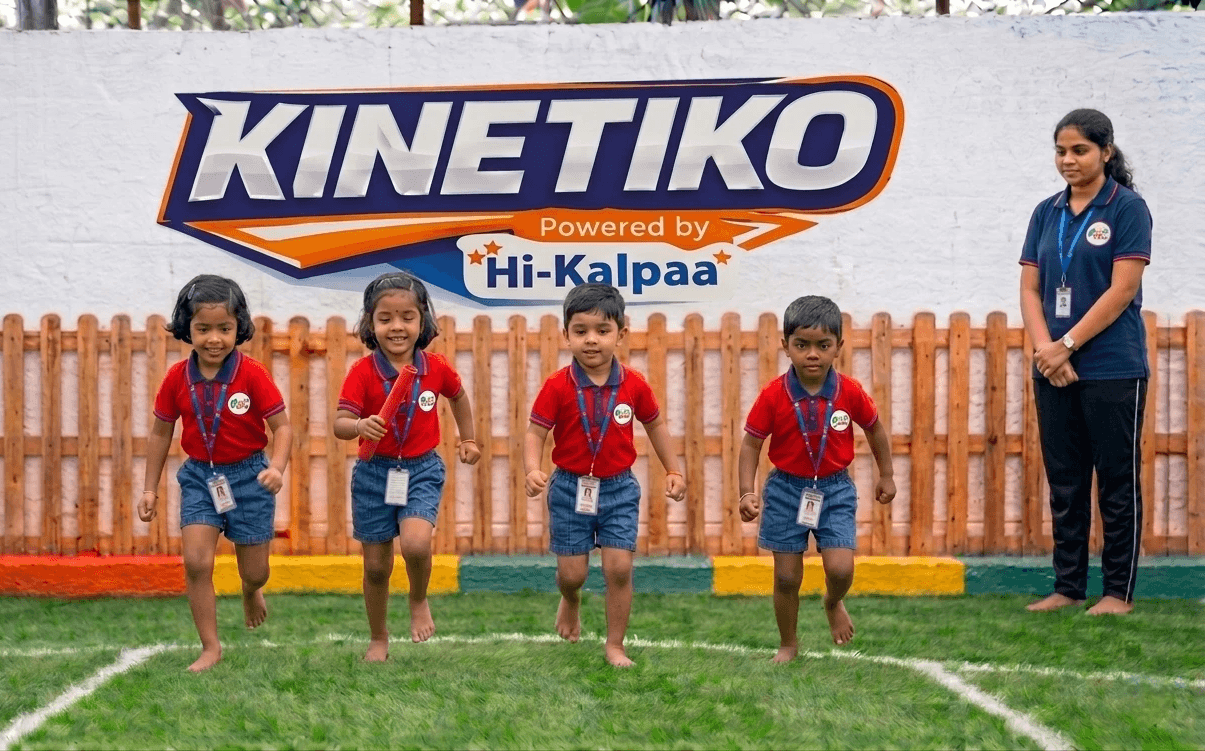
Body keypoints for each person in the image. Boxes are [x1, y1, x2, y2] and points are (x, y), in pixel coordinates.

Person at [1019, 109, 1152, 616]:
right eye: (1061, 151)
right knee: (1066, 481)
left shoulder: (1127, 209)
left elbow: (1122, 291)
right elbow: (1030, 289)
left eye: (1080, 150)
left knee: (1117, 482)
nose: (1069, 160)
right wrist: (1045, 350)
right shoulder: (1045, 212)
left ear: (1106, 153)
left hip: (1112, 366)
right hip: (1053, 365)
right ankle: (1068, 586)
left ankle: (1117, 593)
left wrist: (1066, 345)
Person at [524, 283, 686, 668]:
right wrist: (533, 467)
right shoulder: (557, 386)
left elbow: (656, 426)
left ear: (621, 333)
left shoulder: (634, 384)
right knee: (572, 573)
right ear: (566, 335)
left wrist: (674, 469)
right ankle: (571, 599)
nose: (591, 340)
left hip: (618, 490)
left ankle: (615, 644)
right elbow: (535, 432)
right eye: (580, 331)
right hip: (568, 489)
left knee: (619, 567)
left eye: (602, 330)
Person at [138, 275, 292, 673]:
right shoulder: (176, 378)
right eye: (203, 329)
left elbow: (284, 428)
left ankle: (250, 590)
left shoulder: (252, 374)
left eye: (224, 328)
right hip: (199, 480)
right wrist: (149, 489)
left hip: (250, 478)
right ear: (186, 328)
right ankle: (210, 646)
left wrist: (276, 467)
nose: (213, 339)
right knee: (196, 562)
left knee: (255, 570)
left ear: (238, 327)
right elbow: (160, 433)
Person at [333, 271, 481, 661]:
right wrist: (360, 425)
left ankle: (418, 599)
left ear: (422, 321)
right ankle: (378, 637)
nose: (397, 327)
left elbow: (459, 398)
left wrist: (468, 439)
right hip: (372, 475)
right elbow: (339, 424)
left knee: (415, 541)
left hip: (421, 469)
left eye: (407, 317)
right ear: (370, 323)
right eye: (385, 319)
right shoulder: (362, 374)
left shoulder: (436, 368)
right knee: (377, 566)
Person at [739, 295, 895, 658]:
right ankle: (788, 643)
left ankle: (832, 601)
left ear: (838, 347)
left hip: (835, 489)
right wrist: (746, 492)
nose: (813, 354)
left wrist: (886, 475)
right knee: (787, 578)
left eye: (822, 345)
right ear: (786, 347)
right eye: (802, 345)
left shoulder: (850, 392)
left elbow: (875, 431)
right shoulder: (773, 395)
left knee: (840, 569)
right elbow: (751, 445)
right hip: (784, 491)